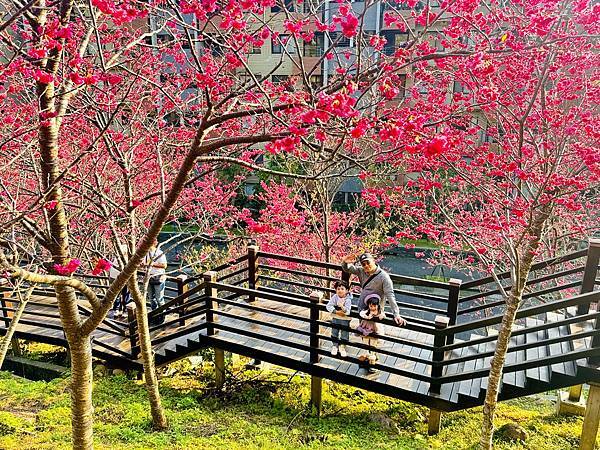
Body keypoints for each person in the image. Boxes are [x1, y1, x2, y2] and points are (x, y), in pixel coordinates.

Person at [342, 252, 406, 373]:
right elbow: (347, 269)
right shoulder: (361, 271)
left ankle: (374, 360)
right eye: (363, 264)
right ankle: (367, 357)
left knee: (375, 335)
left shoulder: (383, 277)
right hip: (362, 308)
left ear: (374, 261)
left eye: (368, 263)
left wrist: (396, 313)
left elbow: (390, 295)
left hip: (375, 310)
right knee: (364, 333)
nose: (366, 266)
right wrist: (345, 261)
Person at [356, 294, 386, 372]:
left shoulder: (379, 311)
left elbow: (382, 316)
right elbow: (362, 313)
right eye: (371, 306)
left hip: (374, 329)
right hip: (366, 327)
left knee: (373, 344)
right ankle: (366, 359)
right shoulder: (366, 311)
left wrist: (377, 316)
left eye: (374, 306)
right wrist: (368, 316)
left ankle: (372, 361)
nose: (372, 308)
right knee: (366, 342)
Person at [325, 280, 353, 358]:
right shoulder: (335, 297)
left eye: (342, 289)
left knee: (344, 332)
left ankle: (342, 346)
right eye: (338, 289)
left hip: (345, 319)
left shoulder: (348, 299)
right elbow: (328, 306)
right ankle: (335, 345)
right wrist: (336, 312)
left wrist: (342, 307)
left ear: (347, 290)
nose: (340, 290)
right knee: (334, 331)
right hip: (336, 317)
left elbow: (347, 311)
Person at [142, 239, 168, 311]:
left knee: (159, 298)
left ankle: (162, 315)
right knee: (151, 298)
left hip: (158, 277)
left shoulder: (159, 253)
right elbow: (144, 264)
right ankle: (155, 313)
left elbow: (164, 265)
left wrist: (151, 264)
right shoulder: (146, 253)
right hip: (148, 277)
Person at [109, 244, 131, 319]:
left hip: (125, 278)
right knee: (117, 294)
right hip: (115, 277)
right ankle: (116, 309)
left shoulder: (128, 258)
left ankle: (124, 310)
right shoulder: (116, 258)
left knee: (126, 295)